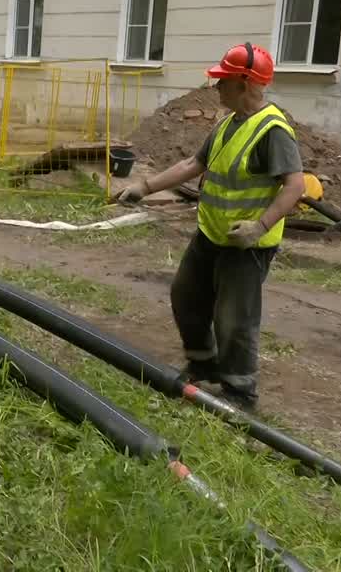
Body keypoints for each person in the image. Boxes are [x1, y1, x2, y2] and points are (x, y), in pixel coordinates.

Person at [114, 42, 305, 409]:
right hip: (211, 234)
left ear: (245, 82)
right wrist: (144, 187)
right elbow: (192, 164)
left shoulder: (273, 130)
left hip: (246, 245)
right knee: (186, 295)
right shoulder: (228, 123)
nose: (216, 86)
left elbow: (295, 185)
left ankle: (239, 393)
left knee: (234, 317)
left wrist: (260, 226)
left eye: (222, 80)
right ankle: (204, 366)